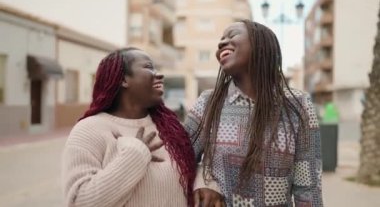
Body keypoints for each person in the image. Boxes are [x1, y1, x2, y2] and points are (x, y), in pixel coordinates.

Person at [185, 20, 323, 206]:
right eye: (221, 39)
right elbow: (181, 158)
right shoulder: (208, 102)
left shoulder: (298, 105)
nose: (221, 43)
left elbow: (308, 188)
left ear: (261, 45)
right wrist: (202, 181)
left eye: (232, 35)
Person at [62, 47, 196, 207]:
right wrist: (136, 155)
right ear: (123, 79)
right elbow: (79, 201)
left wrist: (205, 183)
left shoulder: (172, 129)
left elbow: (198, 167)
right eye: (148, 67)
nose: (159, 74)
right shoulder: (90, 129)